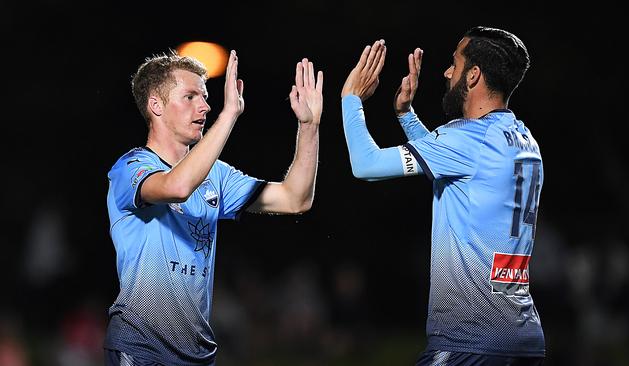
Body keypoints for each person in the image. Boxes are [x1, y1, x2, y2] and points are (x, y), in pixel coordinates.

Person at [340, 26, 545, 365]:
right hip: (522, 340)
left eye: (455, 63)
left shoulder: (467, 138)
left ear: (473, 75)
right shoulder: (522, 138)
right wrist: (406, 116)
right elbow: (453, 170)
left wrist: (351, 99)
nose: (447, 72)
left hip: (471, 339)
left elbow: (366, 164)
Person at [104, 49, 323, 365]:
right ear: (156, 105)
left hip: (199, 354)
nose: (205, 106)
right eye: (190, 96)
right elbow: (177, 187)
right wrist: (229, 115)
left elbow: (296, 198)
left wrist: (309, 126)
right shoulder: (131, 167)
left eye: (205, 97)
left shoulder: (215, 175)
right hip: (142, 349)